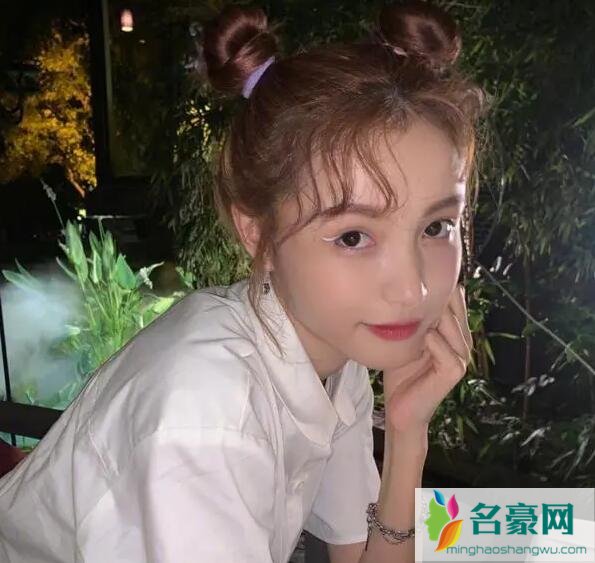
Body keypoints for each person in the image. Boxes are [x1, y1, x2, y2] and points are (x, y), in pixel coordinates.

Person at [0, 1, 485, 561]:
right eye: (353, 236)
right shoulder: (207, 418)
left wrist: (406, 435)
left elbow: (361, 554)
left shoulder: (331, 354)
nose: (412, 290)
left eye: (436, 226)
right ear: (257, 233)